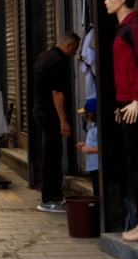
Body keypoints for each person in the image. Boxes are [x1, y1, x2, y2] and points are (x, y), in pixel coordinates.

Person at [104, 0, 138, 241]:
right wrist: (122, 102)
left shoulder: (134, 26)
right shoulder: (120, 28)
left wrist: (136, 99)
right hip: (125, 104)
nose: (106, 1)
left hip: (134, 104)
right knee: (131, 163)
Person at [33, 31, 80, 213]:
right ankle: (47, 199)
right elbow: (57, 92)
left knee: (53, 153)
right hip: (51, 114)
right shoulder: (58, 61)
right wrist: (64, 120)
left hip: (40, 111)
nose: (74, 54)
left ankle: (54, 195)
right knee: (52, 155)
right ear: (68, 46)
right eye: (74, 50)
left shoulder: (43, 56)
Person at [76, 98, 99, 196]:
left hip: (97, 165)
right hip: (92, 165)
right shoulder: (92, 127)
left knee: (98, 190)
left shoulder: (97, 129)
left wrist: (88, 149)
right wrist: (85, 145)